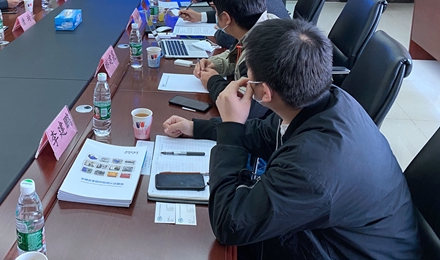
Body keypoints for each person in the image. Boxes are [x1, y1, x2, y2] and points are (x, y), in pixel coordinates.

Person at [163, 19, 420, 259]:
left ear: (264, 92)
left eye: (248, 74)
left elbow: (229, 224)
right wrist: (197, 127)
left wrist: (231, 128)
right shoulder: (324, 98)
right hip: (340, 232)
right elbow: (265, 133)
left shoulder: (311, 168)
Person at [191, 0, 277, 110]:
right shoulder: (261, 24)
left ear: (226, 18)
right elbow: (237, 54)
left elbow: (241, 106)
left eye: (216, 12)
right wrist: (215, 63)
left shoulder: (259, 53)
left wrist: (212, 81)